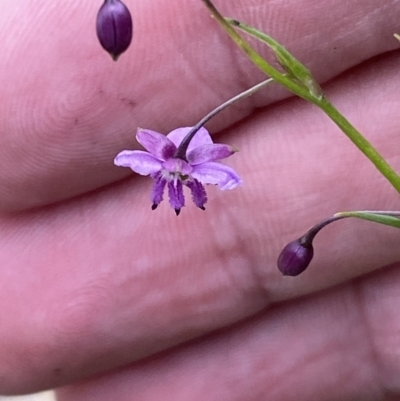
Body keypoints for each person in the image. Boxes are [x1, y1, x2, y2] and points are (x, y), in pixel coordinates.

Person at [1, 0, 400, 399]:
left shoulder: (196, 162)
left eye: (174, 174)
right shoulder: (179, 162)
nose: (172, 177)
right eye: (170, 175)